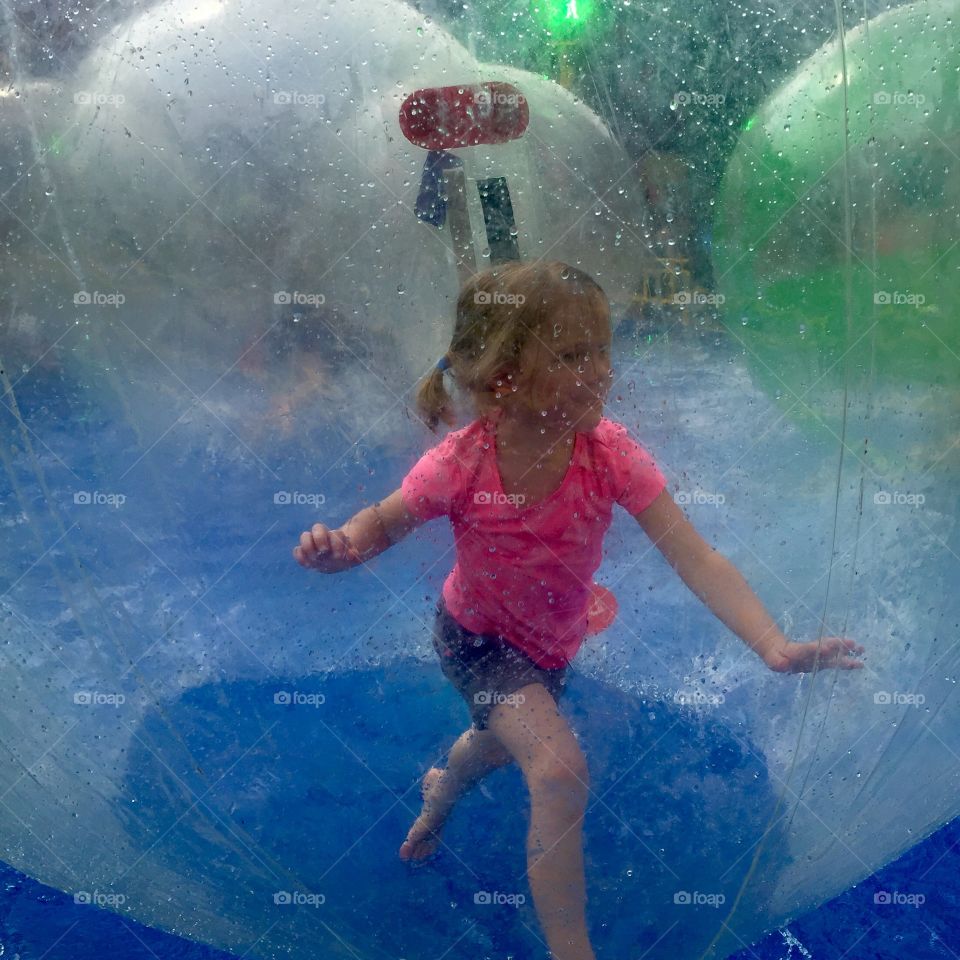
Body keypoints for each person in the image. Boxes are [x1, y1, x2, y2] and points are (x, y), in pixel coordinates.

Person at [292, 260, 865, 960]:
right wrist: (338, 549)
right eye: (571, 355)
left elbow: (695, 556)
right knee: (559, 769)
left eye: (603, 350)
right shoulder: (463, 464)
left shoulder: (609, 455)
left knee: (500, 743)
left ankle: (442, 788)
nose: (600, 370)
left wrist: (771, 644)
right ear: (505, 375)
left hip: (549, 650)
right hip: (474, 640)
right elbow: (379, 525)